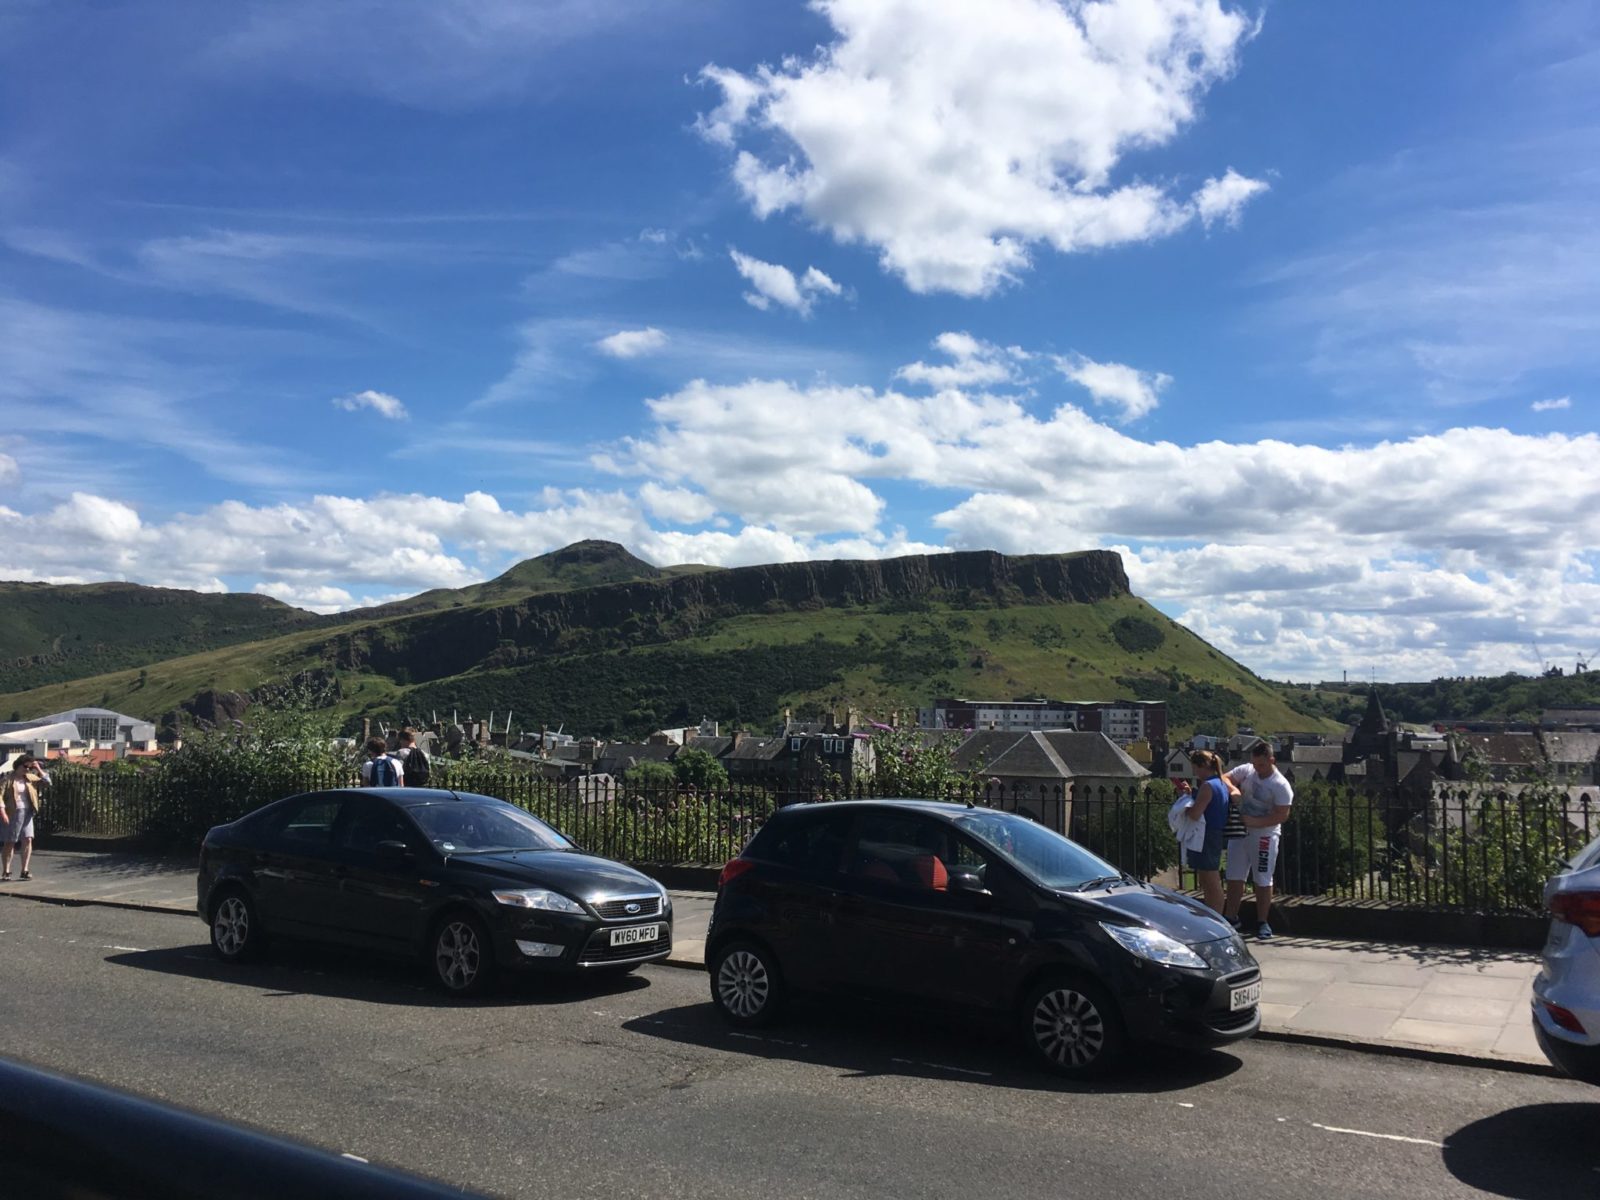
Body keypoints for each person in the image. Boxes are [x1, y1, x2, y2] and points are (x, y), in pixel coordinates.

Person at [1223, 742, 1295, 940]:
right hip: (1240, 832)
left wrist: (1256, 821)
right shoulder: (1247, 770)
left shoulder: (1280, 785)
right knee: (1234, 875)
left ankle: (1262, 921)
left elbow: (1282, 815)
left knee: (1262, 878)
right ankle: (1231, 917)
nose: (1256, 768)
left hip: (1264, 835)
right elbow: (1225, 777)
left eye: (1261, 765)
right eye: (1254, 764)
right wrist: (1233, 790)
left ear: (1271, 760)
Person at [1185, 750, 1239, 914]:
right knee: (1209, 878)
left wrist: (1184, 805)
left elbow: (1195, 814)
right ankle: (1213, 914)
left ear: (1201, 766)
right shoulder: (1220, 783)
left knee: (1210, 880)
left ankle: (1216, 916)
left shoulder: (1207, 786)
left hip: (1206, 835)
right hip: (1215, 833)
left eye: (1194, 768)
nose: (1194, 772)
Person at [4, 754, 45, 881]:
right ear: (18, 765)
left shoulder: (30, 778)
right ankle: (6, 871)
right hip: (13, 812)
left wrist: (38, 768)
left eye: (30, 767)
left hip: (28, 812)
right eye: (25, 766)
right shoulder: (8, 779)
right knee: (10, 842)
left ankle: (24, 870)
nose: (28, 769)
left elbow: (47, 782)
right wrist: (2, 812)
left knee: (28, 839)